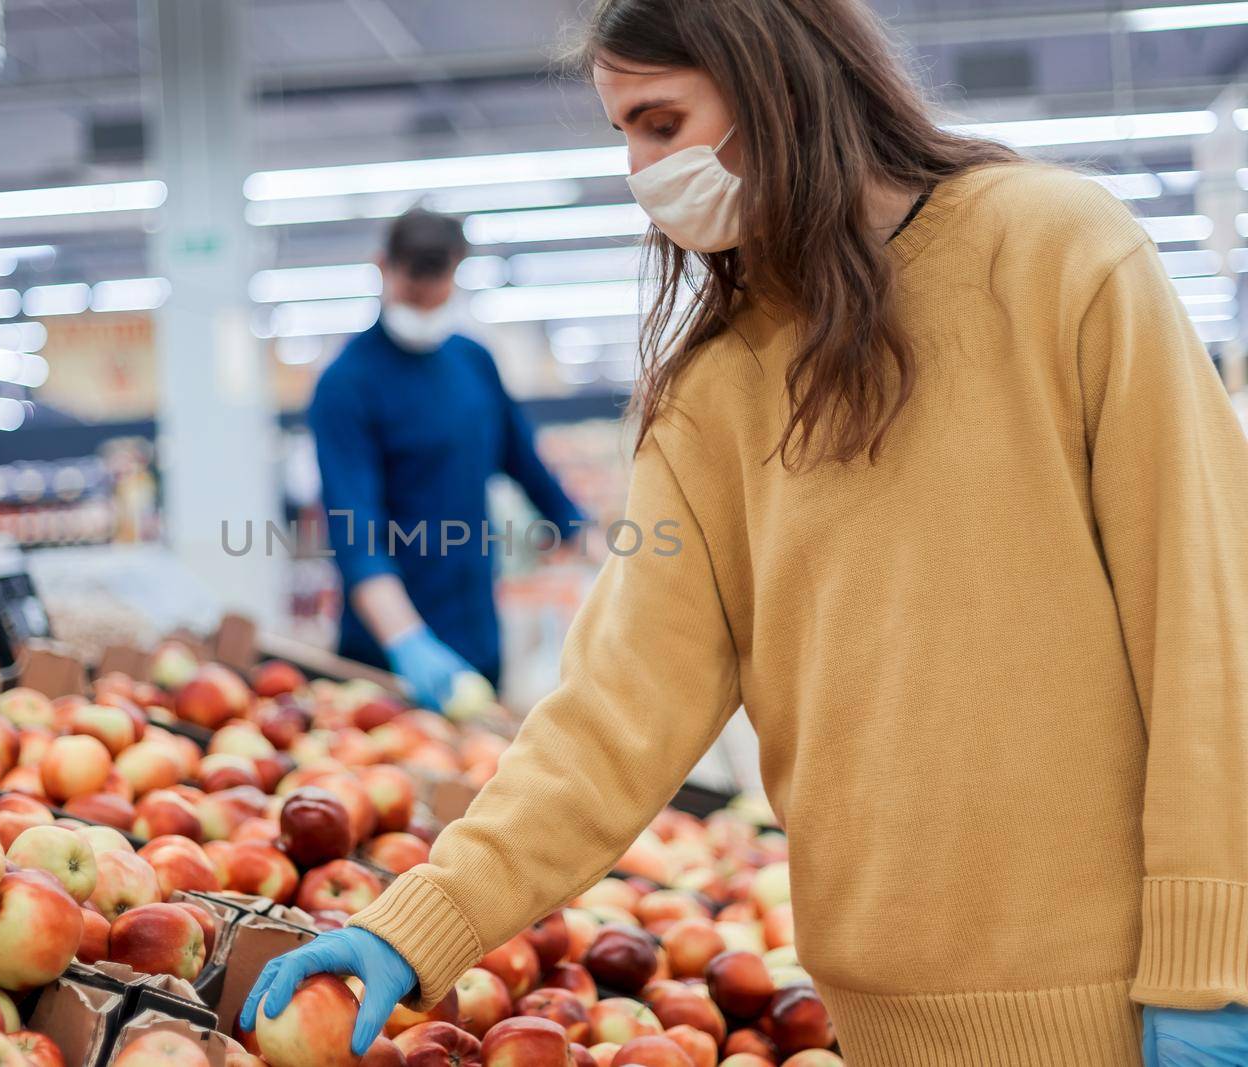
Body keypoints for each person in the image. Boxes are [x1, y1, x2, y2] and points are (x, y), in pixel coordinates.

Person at [244, 0, 1248, 1062]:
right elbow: (616, 713)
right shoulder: (713, 391)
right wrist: (419, 919)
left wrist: (1210, 959)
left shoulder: (1056, 254)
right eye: (623, 133)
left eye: (661, 123)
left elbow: (1206, 612)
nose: (640, 170)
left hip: (1113, 1004)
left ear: (768, 74)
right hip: (875, 1020)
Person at [306, 209, 586, 711]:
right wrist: (405, 641)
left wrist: (597, 550)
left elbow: (526, 465)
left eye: (438, 285)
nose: (425, 302)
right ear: (382, 267)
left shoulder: (472, 363)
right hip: (385, 649)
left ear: (456, 271)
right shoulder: (346, 385)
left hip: (475, 629)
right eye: (412, 288)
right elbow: (355, 531)